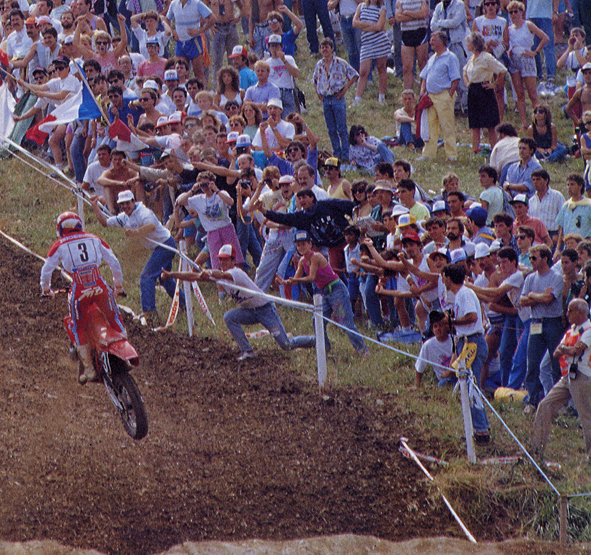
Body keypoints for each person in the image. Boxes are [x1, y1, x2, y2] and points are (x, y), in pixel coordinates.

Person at [163, 244, 315, 361]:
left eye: (225, 259)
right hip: (250, 311)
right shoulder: (221, 275)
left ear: (233, 260)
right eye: (220, 259)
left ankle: (316, 341)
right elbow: (193, 276)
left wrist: (208, 272)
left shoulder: (235, 272)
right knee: (229, 317)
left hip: (265, 310)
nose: (222, 262)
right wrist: (172, 274)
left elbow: (220, 274)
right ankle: (248, 351)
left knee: (286, 345)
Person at [40, 211, 125, 384]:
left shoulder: (59, 245)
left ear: (60, 229)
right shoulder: (95, 238)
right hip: (100, 286)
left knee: (78, 326)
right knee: (114, 316)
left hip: (79, 290)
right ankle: (124, 352)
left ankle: (89, 369)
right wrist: (118, 286)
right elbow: (114, 261)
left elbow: (46, 270)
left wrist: (46, 289)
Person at [90, 190, 184, 322]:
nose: (125, 206)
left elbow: (151, 226)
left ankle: (149, 312)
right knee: (165, 279)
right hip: (160, 246)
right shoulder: (124, 217)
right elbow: (105, 223)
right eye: (122, 204)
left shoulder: (144, 212)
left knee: (146, 277)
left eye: (127, 203)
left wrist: (136, 232)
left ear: (133, 201)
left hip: (165, 245)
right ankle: (184, 305)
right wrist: (95, 206)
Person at [278, 230, 369, 355]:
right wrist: (284, 282)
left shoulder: (316, 257)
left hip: (336, 290)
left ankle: (363, 351)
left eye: (303, 244)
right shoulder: (301, 261)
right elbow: (294, 280)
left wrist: (295, 279)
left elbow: (311, 278)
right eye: (298, 245)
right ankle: (324, 349)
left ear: (310, 244)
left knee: (346, 323)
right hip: (323, 293)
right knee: (317, 321)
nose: (301, 247)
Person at [532, 299, 591, 462]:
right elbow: (557, 352)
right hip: (568, 376)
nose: (567, 314)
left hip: (583, 376)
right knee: (545, 405)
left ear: (580, 313)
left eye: (570, 310)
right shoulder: (571, 330)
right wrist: (568, 350)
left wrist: (567, 349)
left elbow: (572, 349)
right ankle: (536, 450)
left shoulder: (588, 330)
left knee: (586, 416)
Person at [441, 263, 491, 444]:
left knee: (471, 387)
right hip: (466, 342)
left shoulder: (464, 293)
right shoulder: (459, 295)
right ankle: (477, 428)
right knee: (467, 386)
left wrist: (452, 322)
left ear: (448, 277)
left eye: (443, 276)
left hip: (473, 342)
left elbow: (472, 317)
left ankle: (482, 431)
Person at [520, 245, 564, 412]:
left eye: (534, 258)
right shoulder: (530, 278)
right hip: (535, 322)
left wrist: (532, 295)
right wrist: (536, 296)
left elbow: (549, 299)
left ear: (545, 258)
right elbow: (523, 301)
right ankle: (532, 399)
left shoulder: (556, 277)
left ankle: (558, 401)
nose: (531, 261)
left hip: (552, 323)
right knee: (533, 362)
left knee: (555, 363)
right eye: (530, 258)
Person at [312, 37, 358, 162]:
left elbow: (354, 74)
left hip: (337, 97)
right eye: (322, 48)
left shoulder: (340, 62)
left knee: (341, 128)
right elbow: (314, 79)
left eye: (327, 47)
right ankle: (336, 152)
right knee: (331, 129)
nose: (324, 50)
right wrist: (318, 92)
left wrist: (345, 89)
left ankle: (346, 154)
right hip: (326, 99)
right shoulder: (319, 64)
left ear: (332, 48)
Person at [417, 31, 461, 162]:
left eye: (433, 40)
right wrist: (422, 91)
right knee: (430, 126)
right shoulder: (432, 58)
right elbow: (424, 76)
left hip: (444, 95)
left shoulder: (450, 57)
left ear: (442, 42)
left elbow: (456, 78)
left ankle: (451, 154)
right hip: (430, 97)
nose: (431, 42)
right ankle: (428, 154)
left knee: (447, 126)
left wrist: (449, 94)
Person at [505, 0, 549, 130]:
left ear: (521, 12)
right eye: (511, 12)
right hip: (514, 60)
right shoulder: (509, 29)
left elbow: (545, 37)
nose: (513, 14)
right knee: (519, 94)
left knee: (532, 94)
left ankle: (539, 120)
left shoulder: (527, 24)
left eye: (516, 11)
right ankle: (524, 123)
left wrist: (535, 52)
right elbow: (508, 44)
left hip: (527, 58)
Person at [463, 32, 506, 154]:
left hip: (484, 90)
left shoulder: (486, 57)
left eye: (468, 42)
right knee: (475, 124)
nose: (466, 44)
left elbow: (502, 70)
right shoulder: (471, 58)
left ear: (475, 44)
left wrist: (495, 84)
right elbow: (464, 72)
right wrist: (468, 84)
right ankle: (475, 151)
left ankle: (494, 151)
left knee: (490, 124)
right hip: (473, 91)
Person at [165, 0, 216, 84]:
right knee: (180, 74)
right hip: (180, 42)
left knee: (199, 74)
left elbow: (212, 18)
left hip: (194, 42)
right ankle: (183, 95)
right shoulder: (174, 4)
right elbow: (167, 19)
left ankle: (202, 95)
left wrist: (199, 31)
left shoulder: (197, 3)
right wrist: (172, 32)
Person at [351, 0, 391, 105]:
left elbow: (379, 26)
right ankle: (357, 100)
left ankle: (381, 98)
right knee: (363, 71)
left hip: (380, 42)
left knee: (381, 68)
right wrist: (370, 25)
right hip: (366, 43)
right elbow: (354, 23)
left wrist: (363, 25)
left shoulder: (382, 8)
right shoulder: (361, 6)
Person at [413, 311, 455, 389]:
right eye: (435, 326)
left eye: (440, 325)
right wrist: (417, 385)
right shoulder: (428, 345)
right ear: (432, 330)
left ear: (446, 327)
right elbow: (419, 366)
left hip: (458, 376)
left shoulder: (454, 339)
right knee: (442, 385)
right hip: (444, 380)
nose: (438, 329)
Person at [395, 0, 429, 91]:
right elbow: (398, 18)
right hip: (406, 34)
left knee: (423, 64)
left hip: (420, 33)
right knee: (406, 68)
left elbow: (424, 14)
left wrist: (407, 13)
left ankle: (423, 93)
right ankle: (408, 93)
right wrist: (415, 15)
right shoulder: (400, 1)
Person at [556, 174, 591, 255]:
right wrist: (558, 249)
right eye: (568, 185)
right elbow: (561, 230)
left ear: (580, 186)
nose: (569, 187)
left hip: (585, 248)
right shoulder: (566, 206)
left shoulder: (588, 205)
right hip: (568, 248)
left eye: (572, 184)